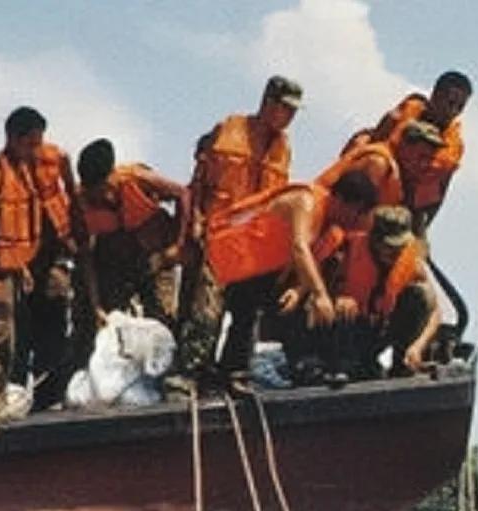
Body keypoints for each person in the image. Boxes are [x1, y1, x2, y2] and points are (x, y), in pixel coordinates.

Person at [183, 173, 380, 391]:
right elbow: (299, 247)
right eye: (358, 212)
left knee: (270, 312)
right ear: (343, 201)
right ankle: (187, 381)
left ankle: (253, 371)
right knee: (204, 330)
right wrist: (319, 294)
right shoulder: (305, 201)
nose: (357, 219)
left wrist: (298, 290)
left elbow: (308, 263)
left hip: (255, 274)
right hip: (220, 260)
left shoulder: (331, 231)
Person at [175, 76, 301, 388]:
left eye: (294, 111)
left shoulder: (283, 148)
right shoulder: (228, 131)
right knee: (207, 307)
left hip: (254, 244)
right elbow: (199, 181)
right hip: (219, 234)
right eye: (286, 109)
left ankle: (233, 370)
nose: (290, 117)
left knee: (247, 311)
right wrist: (195, 221)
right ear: (269, 103)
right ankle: (192, 372)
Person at [305, 205, 440, 386]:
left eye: (400, 246)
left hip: (377, 330)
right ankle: (340, 368)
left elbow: (435, 311)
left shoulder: (411, 264)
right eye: (389, 246)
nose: (395, 252)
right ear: (375, 240)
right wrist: (335, 299)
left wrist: (418, 346)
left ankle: (401, 366)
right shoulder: (345, 251)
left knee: (421, 294)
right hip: (339, 331)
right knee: (343, 309)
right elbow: (311, 295)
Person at [0, 107, 48, 419]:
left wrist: (23, 268)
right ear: (13, 138)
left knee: (11, 337)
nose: (35, 150)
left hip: (13, 268)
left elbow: (14, 229)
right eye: (30, 143)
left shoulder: (23, 172)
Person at [75, 138, 185, 327]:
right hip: (115, 262)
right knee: (104, 321)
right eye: (92, 191)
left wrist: (178, 246)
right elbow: (86, 256)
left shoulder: (137, 178)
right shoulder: (80, 203)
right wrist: (96, 305)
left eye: (102, 188)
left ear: (111, 176)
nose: (100, 196)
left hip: (155, 256)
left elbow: (183, 194)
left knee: (163, 320)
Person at [366, 71, 471, 232]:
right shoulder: (399, 116)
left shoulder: (453, 149)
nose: (453, 111)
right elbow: (368, 152)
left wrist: (419, 232)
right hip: (369, 192)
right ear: (435, 95)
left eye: (459, 107)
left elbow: (438, 195)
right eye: (450, 103)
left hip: (403, 211)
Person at [27, 130, 83, 400]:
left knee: (56, 318)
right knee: (27, 324)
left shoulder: (59, 158)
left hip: (56, 253)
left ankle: (52, 388)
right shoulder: (9, 167)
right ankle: (32, 388)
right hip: (25, 256)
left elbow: (73, 196)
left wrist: (77, 241)